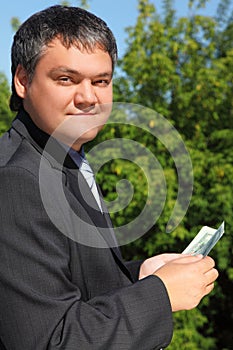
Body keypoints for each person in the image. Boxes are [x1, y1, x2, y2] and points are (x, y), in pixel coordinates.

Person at [0, 5, 218, 350]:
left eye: (101, 81)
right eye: (66, 79)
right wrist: (160, 295)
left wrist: (142, 275)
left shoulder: (67, 159)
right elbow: (50, 340)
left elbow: (69, 287)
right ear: (23, 81)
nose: (88, 98)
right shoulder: (15, 181)